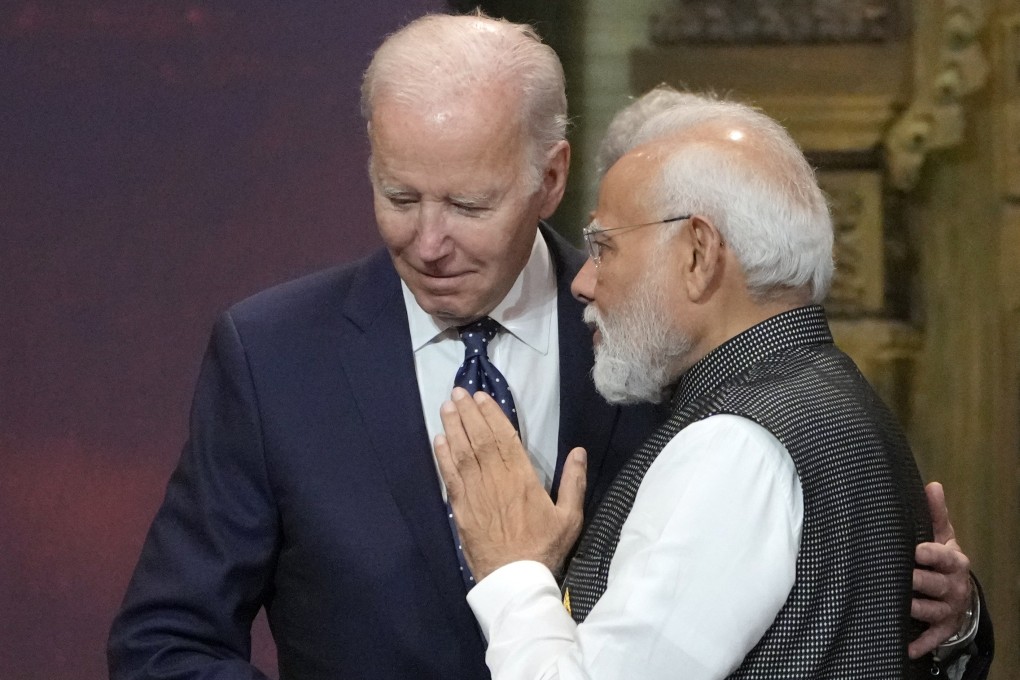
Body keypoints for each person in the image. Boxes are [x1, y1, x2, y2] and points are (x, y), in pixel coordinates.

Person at [107, 14, 982, 680]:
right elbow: (163, 643)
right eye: (400, 196)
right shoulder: (272, 356)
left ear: (550, 178)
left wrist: (953, 621)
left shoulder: (661, 345)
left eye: (470, 204)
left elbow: (820, 595)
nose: (429, 240)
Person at [434, 93, 991, 679]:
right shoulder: (828, 390)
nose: (585, 281)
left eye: (605, 247)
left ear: (699, 253)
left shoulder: (735, 445)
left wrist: (514, 570)